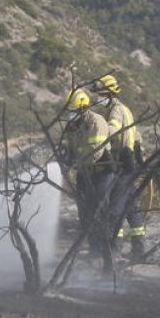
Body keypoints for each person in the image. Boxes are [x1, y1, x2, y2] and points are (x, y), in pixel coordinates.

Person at [91, 73, 147, 261]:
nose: (96, 98)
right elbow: (136, 135)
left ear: (108, 94)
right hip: (130, 162)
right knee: (131, 207)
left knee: (115, 209)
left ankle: (115, 250)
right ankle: (139, 249)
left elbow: (113, 129)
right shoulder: (124, 108)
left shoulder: (115, 110)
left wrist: (100, 131)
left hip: (122, 164)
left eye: (99, 94)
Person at [61, 88, 115, 269]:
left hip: (101, 172)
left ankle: (105, 252)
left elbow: (96, 152)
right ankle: (94, 250)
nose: (70, 114)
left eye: (73, 110)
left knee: (99, 210)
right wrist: (66, 160)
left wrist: (78, 163)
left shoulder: (96, 122)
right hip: (84, 173)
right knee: (84, 212)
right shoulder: (72, 126)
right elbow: (70, 148)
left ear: (83, 108)